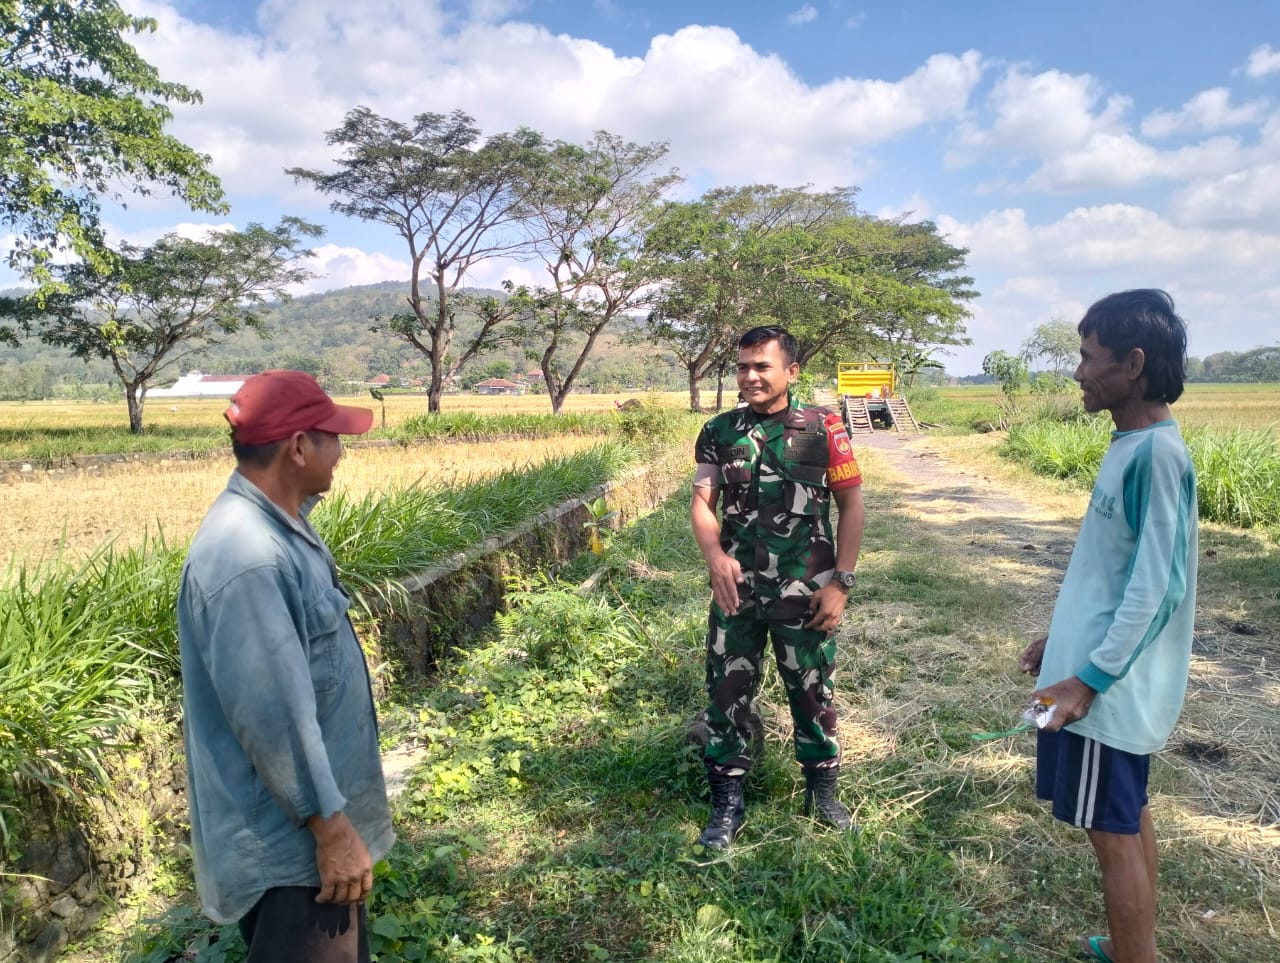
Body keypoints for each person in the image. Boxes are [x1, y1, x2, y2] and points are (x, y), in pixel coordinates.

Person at [178, 370, 395, 962]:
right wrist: (332, 831)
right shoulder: (248, 558)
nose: (342, 452)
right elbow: (274, 718)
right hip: (292, 855)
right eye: (333, 437)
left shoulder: (287, 526)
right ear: (299, 447)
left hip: (310, 839)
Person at [1018, 290, 1198, 963]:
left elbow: (1155, 591)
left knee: (1110, 832)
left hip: (1101, 693)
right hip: (1085, 673)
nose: (1078, 371)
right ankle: (1139, 947)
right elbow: (1110, 573)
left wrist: (1086, 680)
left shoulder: (1156, 455)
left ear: (1134, 363)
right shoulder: (1131, 445)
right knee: (1128, 813)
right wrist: (1056, 640)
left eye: (1090, 357)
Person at [690, 325, 865, 850]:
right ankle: (727, 803)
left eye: (762, 366)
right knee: (727, 695)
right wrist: (715, 556)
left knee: (812, 691)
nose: (750, 376)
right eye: (743, 366)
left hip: (806, 591)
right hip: (737, 593)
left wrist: (841, 583)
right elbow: (702, 501)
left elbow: (851, 506)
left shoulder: (824, 427)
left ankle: (823, 793)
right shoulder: (719, 431)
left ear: (791, 371)